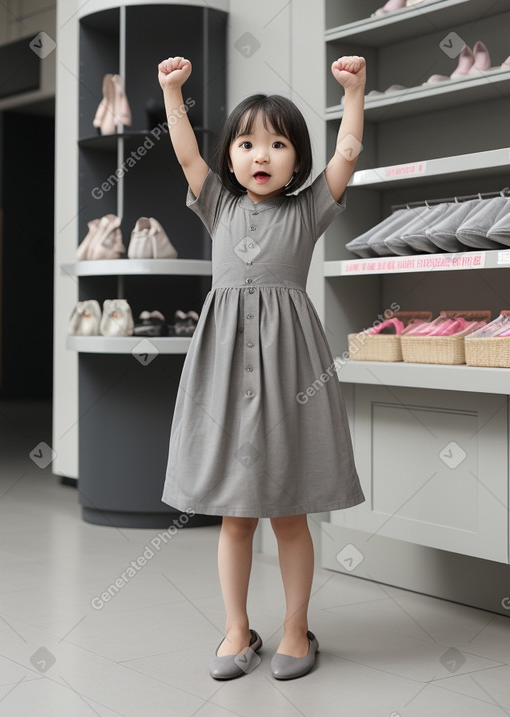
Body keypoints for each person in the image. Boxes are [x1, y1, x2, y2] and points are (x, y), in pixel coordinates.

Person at [158, 54, 366, 680]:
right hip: (224, 370)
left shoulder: (308, 210)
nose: (261, 155)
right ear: (230, 157)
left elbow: (349, 153)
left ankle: (298, 627)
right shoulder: (216, 202)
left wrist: (355, 91)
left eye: (277, 144)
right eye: (247, 143)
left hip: (291, 373)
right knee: (235, 513)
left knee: (291, 511)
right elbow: (184, 150)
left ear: (297, 160)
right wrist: (173, 93)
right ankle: (235, 628)